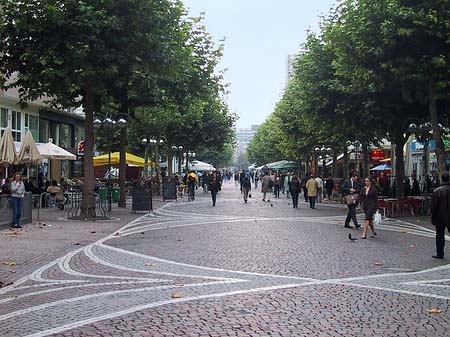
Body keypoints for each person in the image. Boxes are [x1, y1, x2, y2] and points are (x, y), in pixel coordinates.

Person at [430, 171, 450, 259]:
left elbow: (433, 205)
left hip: (440, 216)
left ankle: (440, 253)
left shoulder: (437, 191)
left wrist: (432, 214)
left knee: (440, 235)